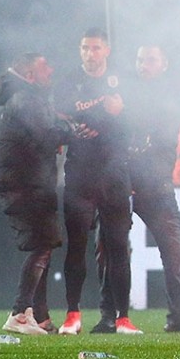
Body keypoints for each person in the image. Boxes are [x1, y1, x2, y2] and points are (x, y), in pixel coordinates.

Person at [94, 45, 180, 333]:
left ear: (164, 64)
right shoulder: (124, 89)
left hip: (155, 185)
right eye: (140, 59)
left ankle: (179, 315)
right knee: (109, 248)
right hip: (121, 181)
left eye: (151, 60)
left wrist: (121, 111)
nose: (144, 64)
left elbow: (156, 122)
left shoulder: (171, 94)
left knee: (174, 249)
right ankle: (109, 316)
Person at [54, 28, 141, 335]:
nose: (90, 54)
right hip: (79, 173)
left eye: (95, 48)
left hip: (114, 173)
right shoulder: (68, 81)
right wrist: (101, 117)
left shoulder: (123, 81)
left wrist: (115, 114)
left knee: (118, 245)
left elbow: (134, 120)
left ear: (106, 51)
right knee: (76, 245)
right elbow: (61, 120)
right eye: (85, 48)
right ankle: (72, 314)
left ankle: (123, 318)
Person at [0, 53, 75, 334]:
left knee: (43, 245)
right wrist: (72, 130)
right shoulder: (26, 99)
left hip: (27, 182)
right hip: (27, 184)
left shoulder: (22, 98)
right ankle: (19, 313)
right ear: (30, 75)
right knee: (42, 245)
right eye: (45, 66)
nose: (51, 69)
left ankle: (38, 316)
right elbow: (47, 135)